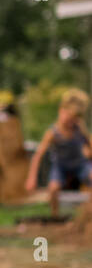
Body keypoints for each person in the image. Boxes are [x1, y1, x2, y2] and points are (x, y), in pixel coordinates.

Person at [26, 88, 91, 216]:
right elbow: (38, 155)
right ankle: (55, 216)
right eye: (69, 117)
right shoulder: (53, 133)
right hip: (61, 166)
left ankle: (88, 216)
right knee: (53, 188)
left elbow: (89, 144)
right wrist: (31, 178)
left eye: (74, 120)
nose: (70, 122)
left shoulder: (79, 128)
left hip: (79, 164)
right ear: (61, 111)